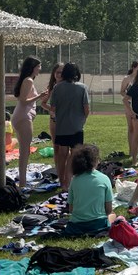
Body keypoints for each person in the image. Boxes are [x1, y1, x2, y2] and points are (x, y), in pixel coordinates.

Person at [51, 62, 90, 191]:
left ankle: (62, 181)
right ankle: (68, 182)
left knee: (62, 155)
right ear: (77, 74)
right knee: (73, 155)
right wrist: (83, 120)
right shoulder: (82, 88)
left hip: (61, 127)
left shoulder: (57, 88)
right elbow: (86, 108)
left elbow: (53, 108)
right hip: (76, 127)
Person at [64, 144, 115, 237]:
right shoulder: (104, 178)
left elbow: (71, 209)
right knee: (113, 215)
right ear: (95, 161)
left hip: (76, 226)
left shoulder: (74, 180)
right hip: (98, 225)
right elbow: (109, 209)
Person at [11, 56, 46, 190]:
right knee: (25, 151)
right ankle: (23, 182)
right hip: (23, 118)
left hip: (21, 117)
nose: (40, 69)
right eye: (38, 66)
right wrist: (40, 96)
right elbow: (24, 100)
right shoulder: (29, 80)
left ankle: (22, 180)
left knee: (23, 150)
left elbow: (22, 98)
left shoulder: (27, 80)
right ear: (32, 67)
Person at [120, 60, 138, 160]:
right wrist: (129, 98)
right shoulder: (127, 78)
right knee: (131, 128)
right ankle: (131, 150)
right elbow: (121, 91)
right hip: (129, 105)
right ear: (133, 68)